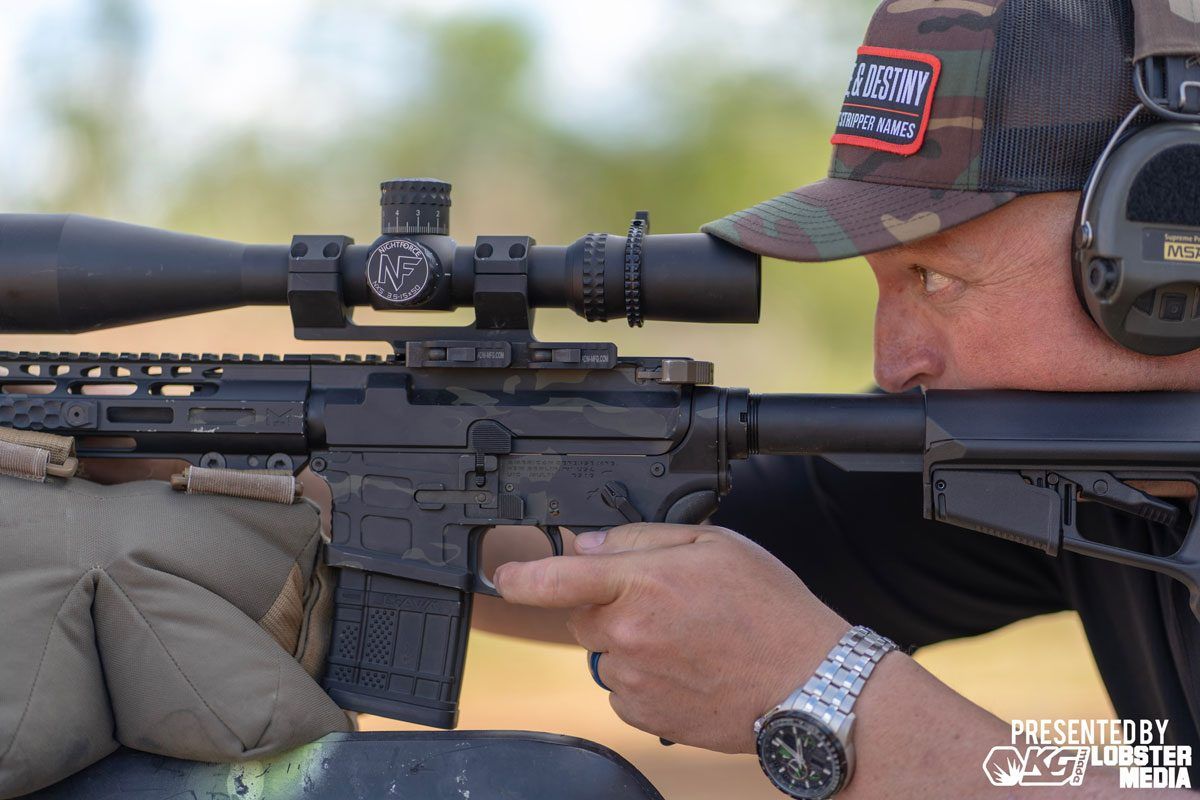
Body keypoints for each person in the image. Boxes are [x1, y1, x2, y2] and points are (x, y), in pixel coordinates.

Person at [477, 0, 1200, 796]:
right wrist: (349, 517)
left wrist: (834, 696)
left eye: (937, 277)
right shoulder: (1083, 463)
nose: (894, 363)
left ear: (1168, 237)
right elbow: (652, 539)